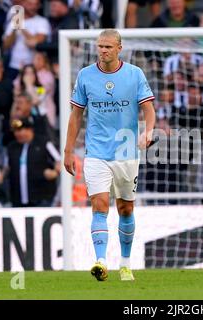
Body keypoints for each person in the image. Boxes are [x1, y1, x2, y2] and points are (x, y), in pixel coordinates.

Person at [64, 29, 156, 282]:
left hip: (126, 152)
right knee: (100, 204)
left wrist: (148, 132)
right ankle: (101, 261)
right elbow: (75, 117)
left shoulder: (134, 74)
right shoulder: (85, 76)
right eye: (99, 46)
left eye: (107, 46)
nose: (103, 50)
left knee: (125, 208)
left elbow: (148, 109)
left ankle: (125, 264)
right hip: (96, 152)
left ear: (119, 48)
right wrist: (68, 150)